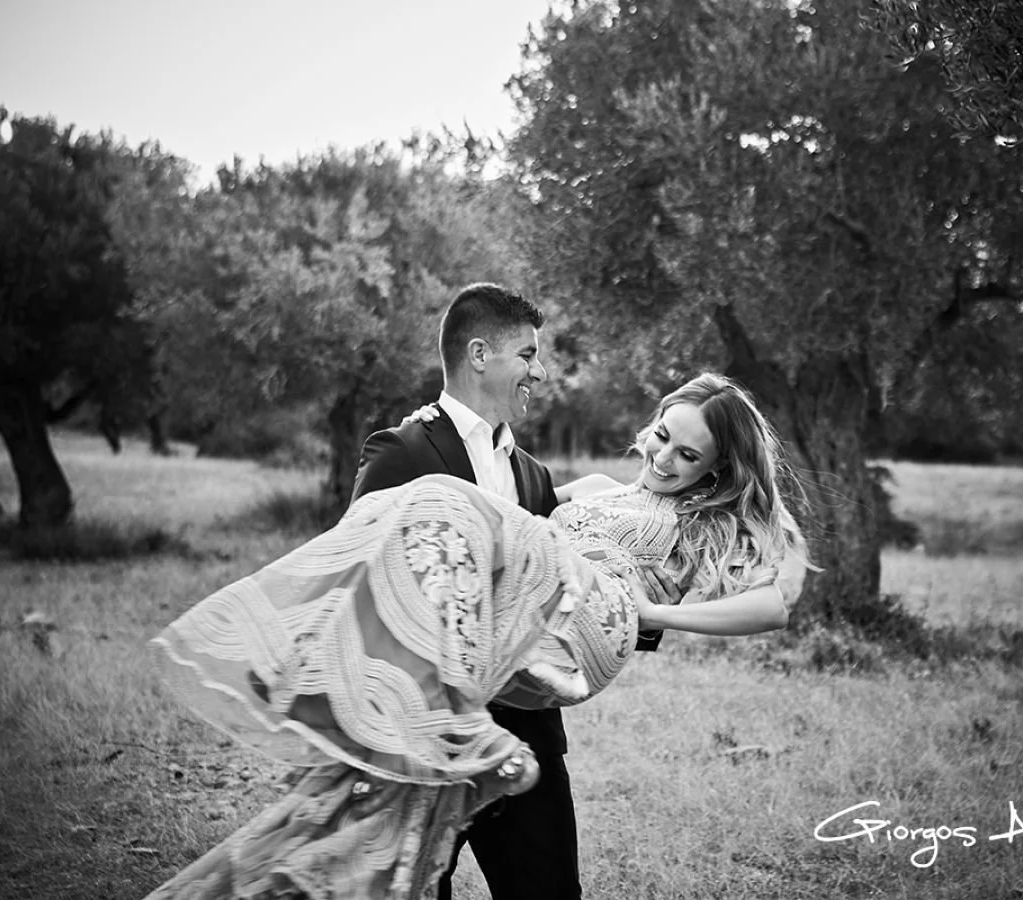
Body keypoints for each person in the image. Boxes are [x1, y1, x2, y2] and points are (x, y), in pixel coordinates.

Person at [144, 313, 814, 900]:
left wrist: (659, 614)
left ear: (715, 469)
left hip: (594, 627)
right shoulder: (588, 488)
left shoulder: (702, 523)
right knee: (389, 846)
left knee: (442, 495)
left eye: (688, 454)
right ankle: (351, 677)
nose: (664, 458)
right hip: (511, 653)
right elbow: (504, 546)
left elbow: (774, 607)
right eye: (663, 435)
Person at [348, 282, 582, 900]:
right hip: (425, 742)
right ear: (480, 355)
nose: (541, 370)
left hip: (525, 736)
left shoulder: (534, 475)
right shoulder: (401, 452)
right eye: (528, 355)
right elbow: (358, 581)